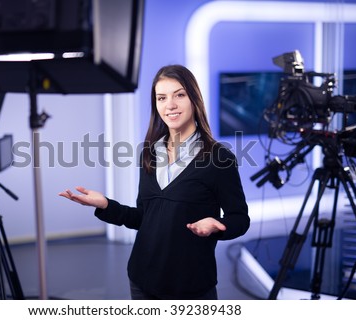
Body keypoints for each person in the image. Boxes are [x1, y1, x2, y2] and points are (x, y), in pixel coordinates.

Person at [59, 64, 250, 300]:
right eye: (162, 98)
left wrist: (218, 225)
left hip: (190, 286)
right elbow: (145, 218)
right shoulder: (149, 153)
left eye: (179, 95)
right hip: (141, 279)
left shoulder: (219, 158)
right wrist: (105, 205)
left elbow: (240, 219)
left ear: (194, 99)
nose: (170, 105)